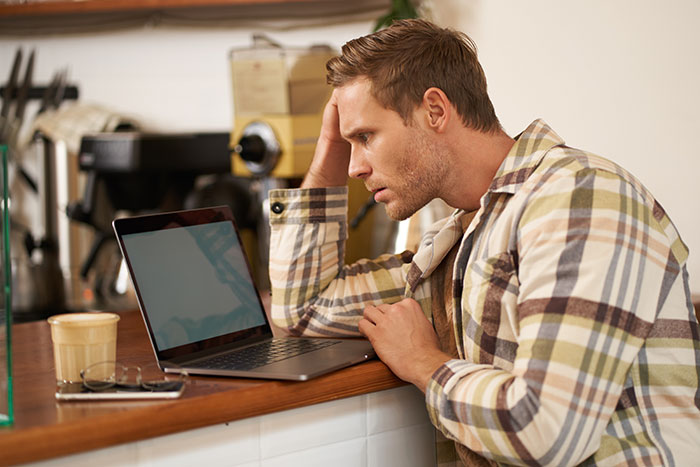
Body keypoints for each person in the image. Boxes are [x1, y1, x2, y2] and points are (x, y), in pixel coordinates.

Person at [267, 19, 700, 466]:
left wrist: (422, 362)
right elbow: (304, 308)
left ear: (434, 110)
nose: (355, 166)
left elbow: (546, 432)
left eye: (364, 137)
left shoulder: (580, 200)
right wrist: (328, 150)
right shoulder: (461, 237)